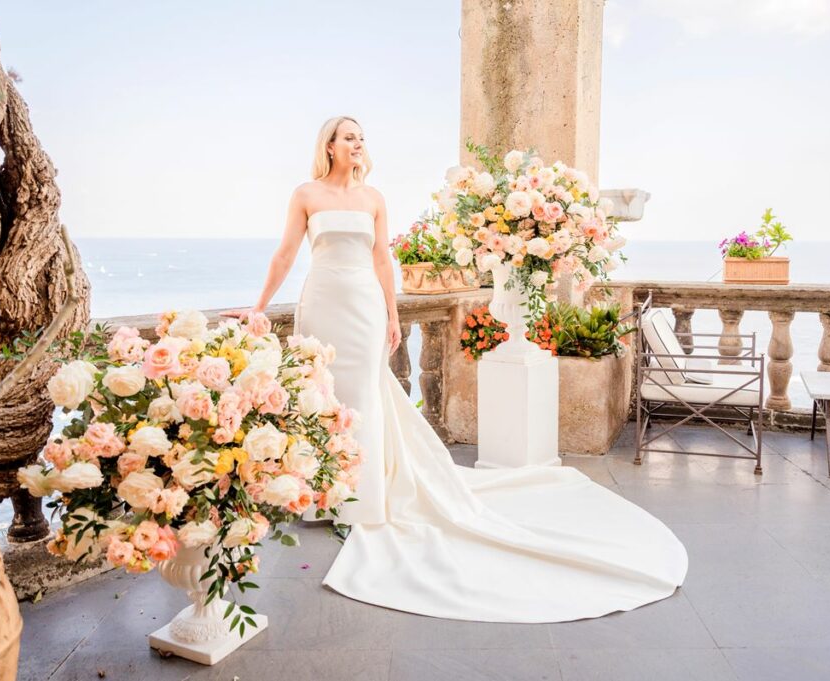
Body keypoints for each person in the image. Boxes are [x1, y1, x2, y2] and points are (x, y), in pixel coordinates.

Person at [225, 116, 688, 623]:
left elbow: (383, 261)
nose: (358, 144)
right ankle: (321, 496)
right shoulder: (306, 194)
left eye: (362, 137)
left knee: (363, 396)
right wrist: (258, 305)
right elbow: (287, 253)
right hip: (322, 301)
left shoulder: (374, 198)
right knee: (324, 397)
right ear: (329, 145)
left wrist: (394, 314)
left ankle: (362, 499)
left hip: (362, 305)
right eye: (349, 137)